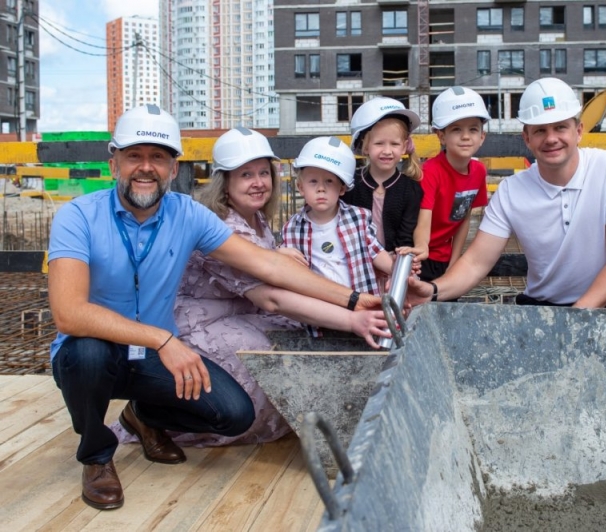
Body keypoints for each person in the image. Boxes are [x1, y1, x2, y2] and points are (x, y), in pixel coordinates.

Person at [47, 105, 380, 511]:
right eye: (135, 156)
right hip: (104, 350)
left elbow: (267, 265)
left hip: (151, 357)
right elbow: (69, 313)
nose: (146, 168)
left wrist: (352, 298)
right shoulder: (77, 216)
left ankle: (145, 415)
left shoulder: (187, 214)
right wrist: (163, 338)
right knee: (88, 352)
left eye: (159, 157)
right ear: (113, 160)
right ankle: (97, 456)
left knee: (234, 415)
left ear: (174, 167)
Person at [110, 127, 391, 448]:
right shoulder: (222, 224)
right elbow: (270, 297)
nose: (258, 182)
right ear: (225, 182)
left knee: (294, 338)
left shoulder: (254, 218)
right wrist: (353, 316)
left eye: (263, 173)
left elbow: (274, 276)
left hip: (242, 311)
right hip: (202, 323)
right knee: (264, 366)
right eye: (245, 175)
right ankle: (150, 417)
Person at [407, 78, 606, 311]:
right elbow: (476, 262)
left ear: (578, 131)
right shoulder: (512, 191)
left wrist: (579, 314)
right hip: (545, 307)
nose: (551, 138)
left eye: (560, 127)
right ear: (527, 138)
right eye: (540, 130)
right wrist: (431, 291)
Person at [282, 136, 393, 296]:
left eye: (329, 181)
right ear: (301, 188)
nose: (321, 188)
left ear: (342, 189)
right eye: (313, 181)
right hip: (318, 306)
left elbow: (375, 251)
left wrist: (395, 271)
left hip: (361, 303)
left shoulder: (358, 218)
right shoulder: (292, 228)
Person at [407, 87, 491, 293]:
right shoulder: (430, 172)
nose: (465, 136)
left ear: (482, 136)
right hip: (419, 256)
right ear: (441, 136)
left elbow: (464, 218)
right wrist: (421, 250)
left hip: (445, 256)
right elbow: (423, 220)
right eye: (456, 129)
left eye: (473, 129)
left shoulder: (479, 171)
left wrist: (455, 263)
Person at [343, 97, 423, 258]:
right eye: (379, 143)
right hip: (357, 261)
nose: (387, 151)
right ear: (365, 146)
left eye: (394, 144)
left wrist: (394, 259)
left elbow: (406, 236)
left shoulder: (411, 190)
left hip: (394, 263)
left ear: (404, 146)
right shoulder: (350, 185)